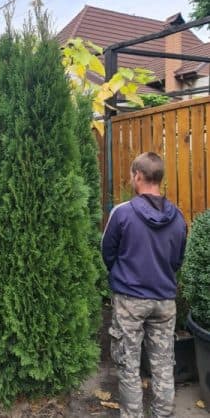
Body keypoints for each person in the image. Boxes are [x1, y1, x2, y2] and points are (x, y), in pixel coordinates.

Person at [101, 152, 187, 418]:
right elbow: (177, 259)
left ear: (137, 176)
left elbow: (107, 252)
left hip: (130, 300)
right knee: (163, 364)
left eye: (131, 175)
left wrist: (123, 275)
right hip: (164, 301)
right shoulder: (179, 218)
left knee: (128, 365)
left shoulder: (122, 213)